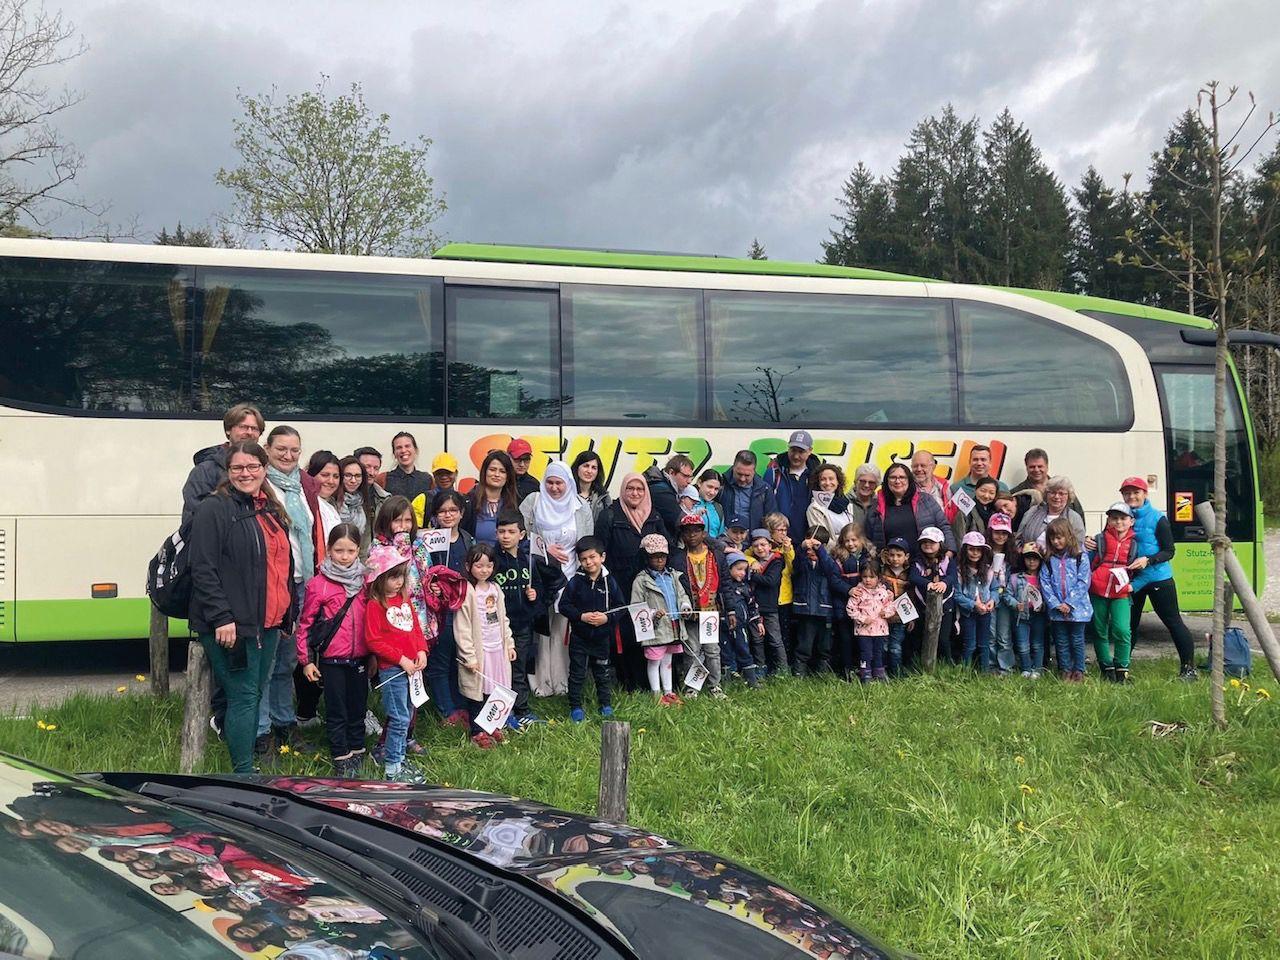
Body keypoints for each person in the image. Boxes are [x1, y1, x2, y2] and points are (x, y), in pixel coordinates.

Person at [188, 441, 292, 774]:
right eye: (237, 468)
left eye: (252, 467)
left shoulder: (269, 507)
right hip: (232, 626)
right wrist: (221, 617)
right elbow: (202, 568)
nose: (245, 474)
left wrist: (287, 614)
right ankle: (243, 774)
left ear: (264, 469)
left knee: (254, 693)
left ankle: (245, 769)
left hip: (268, 622)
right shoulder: (214, 508)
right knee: (244, 696)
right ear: (228, 471)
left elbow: (281, 564)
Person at [262, 425, 326, 752]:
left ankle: (284, 723)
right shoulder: (260, 484)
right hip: (272, 586)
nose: (288, 456)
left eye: (294, 450)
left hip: (302, 583)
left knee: (288, 661)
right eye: (281, 449)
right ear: (267, 449)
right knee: (265, 662)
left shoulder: (304, 485)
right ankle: (262, 733)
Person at [295, 524, 368, 777]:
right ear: (328, 550)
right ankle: (340, 752)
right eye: (339, 550)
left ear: (358, 550)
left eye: (350, 551)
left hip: (360, 656)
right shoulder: (319, 584)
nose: (345, 556)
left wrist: (374, 655)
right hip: (332, 658)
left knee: (358, 706)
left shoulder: (365, 581)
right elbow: (305, 624)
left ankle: (357, 747)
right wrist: (306, 660)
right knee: (337, 708)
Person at [524, 461, 596, 694]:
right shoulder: (534, 503)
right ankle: (541, 683)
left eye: (559, 483)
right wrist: (544, 548)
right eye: (550, 482)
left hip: (570, 577)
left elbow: (587, 543)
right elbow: (520, 536)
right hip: (541, 578)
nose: (554, 488)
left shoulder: (580, 507)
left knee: (564, 630)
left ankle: (563, 682)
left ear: (569, 483)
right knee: (541, 630)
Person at [1118, 477, 1197, 680]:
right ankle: (1122, 669)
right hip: (1133, 580)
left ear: (1145, 494)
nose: (1131, 496)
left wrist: (1149, 560)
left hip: (1158, 578)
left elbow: (1169, 551)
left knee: (1173, 622)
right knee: (1129, 625)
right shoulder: (1120, 516)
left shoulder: (1157, 518)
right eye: (1127, 493)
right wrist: (1091, 541)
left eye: (1136, 492)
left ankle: (1189, 669)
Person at [593, 470, 665, 690]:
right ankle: (627, 682)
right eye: (630, 488)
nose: (635, 493)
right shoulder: (610, 515)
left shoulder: (654, 515)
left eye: (640, 489)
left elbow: (665, 547)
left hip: (649, 585)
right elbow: (600, 550)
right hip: (620, 585)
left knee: (649, 629)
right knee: (625, 633)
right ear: (623, 490)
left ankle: (650, 682)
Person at [363, 544, 428, 782]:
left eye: (401, 575)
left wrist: (421, 650)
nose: (399, 581)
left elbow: (416, 629)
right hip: (393, 671)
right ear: (380, 578)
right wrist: (401, 659)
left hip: (412, 668)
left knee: (407, 714)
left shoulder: (404, 600)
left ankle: (399, 758)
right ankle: (392, 768)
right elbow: (373, 640)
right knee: (398, 717)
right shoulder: (375, 605)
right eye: (393, 577)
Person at [494, 511, 562, 727]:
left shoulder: (530, 559)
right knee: (499, 668)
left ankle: (521, 709)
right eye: (501, 531)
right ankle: (501, 711)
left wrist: (538, 598)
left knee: (519, 667)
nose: (506, 536)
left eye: (511, 532)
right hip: (497, 625)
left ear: (521, 535)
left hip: (523, 623)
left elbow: (555, 580)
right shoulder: (492, 559)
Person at [455, 543, 516, 749]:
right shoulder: (467, 591)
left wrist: (509, 644)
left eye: (489, 565)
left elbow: (503, 618)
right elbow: (462, 627)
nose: (484, 570)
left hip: (497, 649)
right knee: (478, 692)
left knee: (495, 689)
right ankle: (476, 731)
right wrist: (469, 656)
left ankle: (491, 725)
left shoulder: (495, 589)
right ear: (468, 566)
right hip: (479, 653)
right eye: (479, 566)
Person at [558, 536, 623, 722]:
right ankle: (575, 707)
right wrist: (581, 616)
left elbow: (621, 607)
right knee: (577, 674)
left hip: (602, 637)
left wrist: (607, 618)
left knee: (602, 673)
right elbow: (564, 606)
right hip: (579, 637)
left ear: (602, 557)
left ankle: (605, 705)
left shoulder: (610, 582)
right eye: (583, 559)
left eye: (592, 557)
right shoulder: (575, 582)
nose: (588, 562)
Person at [181, 402, 265, 532]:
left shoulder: (265, 469)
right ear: (228, 430)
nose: (249, 432)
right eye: (243, 427)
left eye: (254, 429)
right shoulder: (204, 471)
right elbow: (194, 521)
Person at [631, 533, 693, 704]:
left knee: (668, 659)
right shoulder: (641, 580)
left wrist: (685, 607)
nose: (659, 560)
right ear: (646, 557)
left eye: (663, 556)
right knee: (654, 660)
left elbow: (682, 595)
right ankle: (656, 694)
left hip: (673, 625)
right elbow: (636, 606)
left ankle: (669, 692)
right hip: (656, 628)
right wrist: (652, 614)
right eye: (654, 556)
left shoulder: (673, 576)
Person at [669, 513, 727, 698]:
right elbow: (675, 587)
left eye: (696, 531)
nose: (692, 535)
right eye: (687, 532)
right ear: (682, 535)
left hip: (711, 611)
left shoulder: (716, 556)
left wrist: (732, 609)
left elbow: (726, 584)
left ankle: (715, 685)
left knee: (712, 650)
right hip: (691, 612)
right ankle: (692, 687)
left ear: (704, 533)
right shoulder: (678, 559)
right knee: (692, 650)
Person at [1090, 502, 1138, 683]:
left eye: (1123, 518)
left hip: (1121, 592)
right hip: (1098, 589)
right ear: (1109, 520)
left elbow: (1141, 567)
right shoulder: (1099, 539)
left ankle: (1122, 668)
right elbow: (1088, 561)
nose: (1118, 522)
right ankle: (1106, 666)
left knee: (1122, 629)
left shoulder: (1135, 543)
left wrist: (1134, 585)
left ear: (1131, 521)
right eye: (1114, 518)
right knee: (1099, 629)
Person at [1041, 517, 1093, 682]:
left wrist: (1069, 603)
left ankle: (1079, 670)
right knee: (1061, 640)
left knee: (1077, 640)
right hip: (1057, 610)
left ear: (1069, 536)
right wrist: (1056, 604)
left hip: (1078, 609)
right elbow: (1045, 583)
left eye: (1059, 537)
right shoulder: (1048, 560)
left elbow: (1083, 581)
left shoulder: (1080, 557)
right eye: (1052, 538)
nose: (1056, 542)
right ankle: (1064, 669)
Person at [864, 463, 956, 555]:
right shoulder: (876, 506)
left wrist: (950, 551)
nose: (897, 481)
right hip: (891, 561)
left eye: (902, 477)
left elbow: (944, 526)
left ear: (909, 480)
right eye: (893, 477)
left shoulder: (926, 500)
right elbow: (868, 537)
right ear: (886, 480)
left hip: (924, 561)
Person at [826, 522, 870, 680]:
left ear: (861, 539)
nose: (851, 544)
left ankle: (863, 667)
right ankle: (846, 669)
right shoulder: (838, 558)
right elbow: (833, 580)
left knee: (862, 638)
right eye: (847, 541)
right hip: (843, 605)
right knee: (845, 638)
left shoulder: (868, 556)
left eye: (854, 540)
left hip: (864, 607)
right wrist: (848, 589)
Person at [791, 526, 836, 676]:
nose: (811, 551)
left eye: (814, 548)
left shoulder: (827, 560)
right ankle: (799, 671)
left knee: (825, 643)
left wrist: (820, 551)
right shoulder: (803, 561)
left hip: (824, 608)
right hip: (806, 608)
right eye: (809, 547)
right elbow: (795, 566)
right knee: (804, 642)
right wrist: (802, 549)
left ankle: (823, 671)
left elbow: (832, 571)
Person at [908, 527, 958, 666]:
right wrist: (927, 583)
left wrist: (944, 583)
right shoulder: (917, 562)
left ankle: (947, 664)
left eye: (932, 542)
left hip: (945, 605)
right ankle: (919, 664)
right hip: (922, 605)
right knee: (921, 635)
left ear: (940, 543)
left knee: (943, 638)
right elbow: (913, 577)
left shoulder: (947, 561)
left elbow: (953, 576)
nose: (928, 544)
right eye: (924, 542)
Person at [765, 430, 821, 541]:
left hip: (808, 540)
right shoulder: (774, 472)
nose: (796, 456)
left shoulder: (817, 475)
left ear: (810, 451)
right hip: (779, 540)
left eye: (801, 452)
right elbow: (765, 506)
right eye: (793, 450)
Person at [846, 558, 894, 682]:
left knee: (879, 652)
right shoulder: (858, 592)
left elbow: (891, 606)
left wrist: (886, 613)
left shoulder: (884, 592)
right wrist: (862, 618)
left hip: (880, 630)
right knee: (865, 652)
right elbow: (850, 608)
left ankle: (879, 673)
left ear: (878, 578)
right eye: (865, 577)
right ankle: (865, 674)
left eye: (871, 577)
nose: (868, 580)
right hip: (864, 631)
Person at [719, 551, 762, 688]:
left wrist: (758, 621)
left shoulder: (744, 587)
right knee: (725, 652)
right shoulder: (721, 588)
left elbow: (752, 605)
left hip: (741, 626)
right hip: (723, 626)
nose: (742, 573)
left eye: (745, 570)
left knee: (744, 650)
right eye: (739, 569)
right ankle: (727, 682)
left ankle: (751, 680)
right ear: (728, 568)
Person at [748, 528, 787, 677]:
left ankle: (783, 670)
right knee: (757, 640)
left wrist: (751, 576)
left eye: (763, 544)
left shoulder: (776, 561)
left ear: (770, 546)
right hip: (754, 607)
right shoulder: (751, 561)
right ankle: (760, 668)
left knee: (775, 640)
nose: (760, 548)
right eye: (756, 545)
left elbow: (771, 581)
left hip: (770, 607)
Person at [1006, 542, 1048, 678]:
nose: (1032, 562)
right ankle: (1026, 668)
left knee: (1037, 644)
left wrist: (1043, 606)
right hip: (1021, 616)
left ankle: (1037, 669)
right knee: (1023, 644)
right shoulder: (1015, 578)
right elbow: (1006, 594)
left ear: (1040, 561)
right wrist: (1015, 604)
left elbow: (1048, 596)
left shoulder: (1044, 578)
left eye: (1035, 559)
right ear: (1023, 560)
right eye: (1028, 558)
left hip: (1038, 616)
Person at [955, 531, 996, 671]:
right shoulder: (959, 572)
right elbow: (957, 595)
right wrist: (973, 604)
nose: (975, 553)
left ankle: (984, 672)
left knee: (984, 644)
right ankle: (965, 672)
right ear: (965, 550)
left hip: (985, 613)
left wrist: (993, 600)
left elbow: (995, 589)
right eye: (971, 549)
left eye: (978, 550)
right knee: (970, 644)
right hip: (968, 614)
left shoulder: (988, 570)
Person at [1011, 447, 1083, 527]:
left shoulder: (1064, 488)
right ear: (1026, 467)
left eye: (1040, 466)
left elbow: (1080, 517)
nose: (1036, 470)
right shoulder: (1017, 493)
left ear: (1047, 466)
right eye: (1032, 467)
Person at [465, 450, 519, 546]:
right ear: (484, 472)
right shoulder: (469, 501)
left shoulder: (514, 503)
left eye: (502, 471)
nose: (497, 475)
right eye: (492, 470)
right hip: (475, 554)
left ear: (508, 476)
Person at [764, 512, 796, 670]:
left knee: (785, 633)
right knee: (769, 634)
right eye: (780, 530)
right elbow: (747, 556)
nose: (783, 533)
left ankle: (785, 666)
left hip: (784, 597)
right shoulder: (763, 546)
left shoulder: (788, 548)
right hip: (767, 598)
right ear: (770, 531)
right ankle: (770, 665)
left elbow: (793, 568)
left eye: (785, 530)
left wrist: (788, 550)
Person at [1016, 476, 1086, 547]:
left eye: (1061, 493)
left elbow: (1078, 545)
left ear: (1068, 496)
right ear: (1046, 494)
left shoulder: (1074, 518)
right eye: (1052, 492)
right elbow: (1018, 539)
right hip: (1029, 554)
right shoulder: (1033, 512)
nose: (1056, 496)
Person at [988, 513, 1018, 675]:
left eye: (1004, 533)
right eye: (997, 532)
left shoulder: (1012, 555)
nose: (1000, 536)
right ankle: (991, 665)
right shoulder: (984, 552)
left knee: (1004, 635)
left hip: (1005, 599)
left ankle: (1006, 667)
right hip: (989, 598)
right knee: (990, 634)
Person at [717, 449, 776, 532]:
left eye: (747, 475)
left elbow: (771, 520)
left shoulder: (765, 489)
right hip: (725, 538)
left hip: (754, 538)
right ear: (733, 467)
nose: (742, 479)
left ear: (754, 471)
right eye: (739, 474)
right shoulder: (721, 484)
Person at [879, 538, 914, 675]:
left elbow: (911, 596)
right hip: (883, 617)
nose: (895, 559)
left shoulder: (909, 574)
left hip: (900, 617)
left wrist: (911, 618)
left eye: (899, 555)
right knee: (883, 645)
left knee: (895, 646)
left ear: (906, 556)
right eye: (892, 555)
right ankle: (882, 672)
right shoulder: (882, 570)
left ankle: (896, 673)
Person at [644, 454, 695, 540]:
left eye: (690, 477)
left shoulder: (663, 486)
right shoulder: (661, 491)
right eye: (685, 476)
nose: (689, 481)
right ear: (671, 472)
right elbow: (683, 521)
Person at [336, 456, 380, 548]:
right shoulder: (332, 502)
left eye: (358, 476)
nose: (353, 480)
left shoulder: (363, 503)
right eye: (348, 475)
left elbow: (365, 542)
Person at [805, 463, 857, 540]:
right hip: (835, 547)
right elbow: (821, 539)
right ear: (818, 483)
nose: (827, 483)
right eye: (823, 479)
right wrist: (842, 546)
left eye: (831, 479)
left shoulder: (847, 504)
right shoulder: (814, 508)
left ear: (838, 481)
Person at [383, 432, 433, 507]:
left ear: (415, 450)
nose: (403, 450)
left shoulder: (428, 479)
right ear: (394, 453)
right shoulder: (383, 479)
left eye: (407, 446)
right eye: (399, 447)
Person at [305, 451, 343, 540]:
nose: (331, 481)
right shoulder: (305, 504)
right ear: (311, 475)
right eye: (325, 475)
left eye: (336, 476)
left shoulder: (331, 507)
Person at [571, 449, 612, 527]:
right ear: (577, 468)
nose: (589, 471)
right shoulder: (567, 494)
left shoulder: (603, 497)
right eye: (586, 466)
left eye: (594, 468)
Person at [911, 449, 953, 517]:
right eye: (915, 466)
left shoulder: (944, 486)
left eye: (923, 465)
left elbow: (952, 514)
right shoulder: (906, 487)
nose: (919, 469)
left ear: (933, 467)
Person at [846, 464, 880, 530]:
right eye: (862, 481)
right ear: (855, 482)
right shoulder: (844, 502)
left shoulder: (880, 504)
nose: (866, 485)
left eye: (871, 482)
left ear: (876, 485)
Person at [694, 470, 726, 540]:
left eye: (716, 489)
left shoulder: (718, 508)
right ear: (699, 483)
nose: (712, 492)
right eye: (710, 487)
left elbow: (721, 535)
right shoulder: (688, 503)